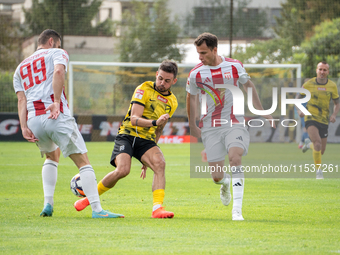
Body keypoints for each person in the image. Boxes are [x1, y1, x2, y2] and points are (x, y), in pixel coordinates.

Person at [13, 29, 123, 218]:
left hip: (33, 120)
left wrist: (23, 126)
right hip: (55, 115)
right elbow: (58, 70)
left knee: (51, 157)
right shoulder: (58, 52)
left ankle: (48, 204)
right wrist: (56, 101)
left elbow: (21, 100)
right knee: (83, 163)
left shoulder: (20, 67)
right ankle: (97, 210)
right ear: (51, 41)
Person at [186, 32, 274, 221]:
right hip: (210, 126)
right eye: (198, 53)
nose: (200, 57)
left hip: (234, 122)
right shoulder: (196, 73)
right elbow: (191, 98)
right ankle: (225, 182)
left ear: (214, 49)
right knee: (216, 176)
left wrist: (261, 110)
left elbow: (248, 86)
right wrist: (192, 124)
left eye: (203, 53)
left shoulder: (234, 66)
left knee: (235, 158)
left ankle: (237, 211)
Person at [74, 60, 178, 218]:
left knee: (159, 164)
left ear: (174, 81)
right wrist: (155, 122)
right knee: (123, 170)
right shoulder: (144, 89)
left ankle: (157, 209)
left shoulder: (173, 102)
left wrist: (147, 158)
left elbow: (160, 128)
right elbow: (134, 119)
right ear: (157, 74)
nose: (162, 83)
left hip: (146, 141)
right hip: (128, 135)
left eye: (167, 81)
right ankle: (89, 199)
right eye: (160, 78)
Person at [298, 61, 340, 179]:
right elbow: (298, 98)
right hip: (310, 117)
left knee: (320, 150)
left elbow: (337, 103)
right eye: (320, 69)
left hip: (324, 119)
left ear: (328, 72)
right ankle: (319, 172)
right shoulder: (308, 84)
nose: (322, 72)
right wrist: (300, 110)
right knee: (317, 143)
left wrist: (334, 114)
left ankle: (308, 144)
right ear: (316, 70)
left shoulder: (332, 85)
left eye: (324, 70)